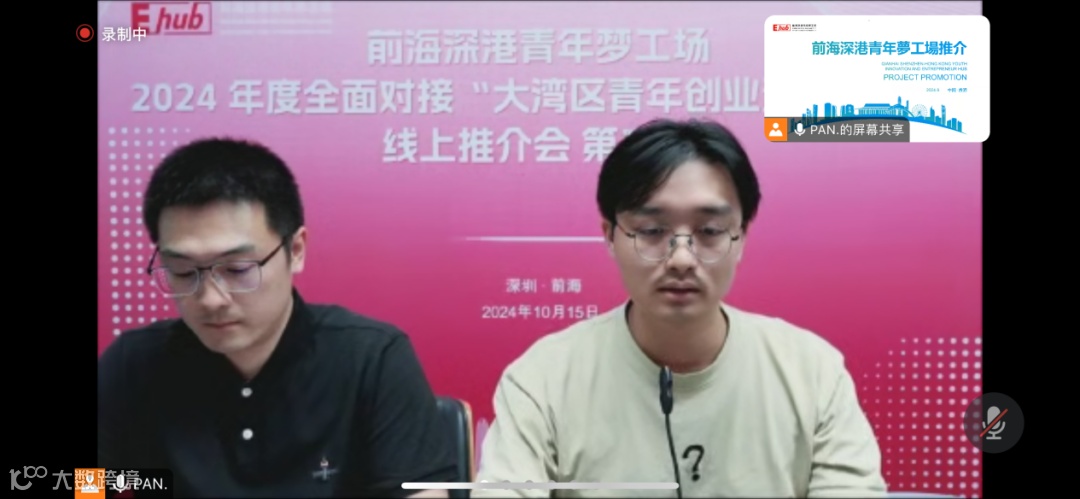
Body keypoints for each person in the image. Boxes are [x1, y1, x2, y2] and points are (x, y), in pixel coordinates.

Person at [472, 119, 887, 498]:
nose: (682, 258)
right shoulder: (542, 379)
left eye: (710, 231)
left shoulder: (812, 372)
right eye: (652, 230)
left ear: (741, 237)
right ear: (610, 236)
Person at [98, 138, 453, 498]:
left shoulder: (372, 359)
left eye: (237, 269)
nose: (210, 299)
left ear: (295, 250)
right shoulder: (133, 364)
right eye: (183, 272)